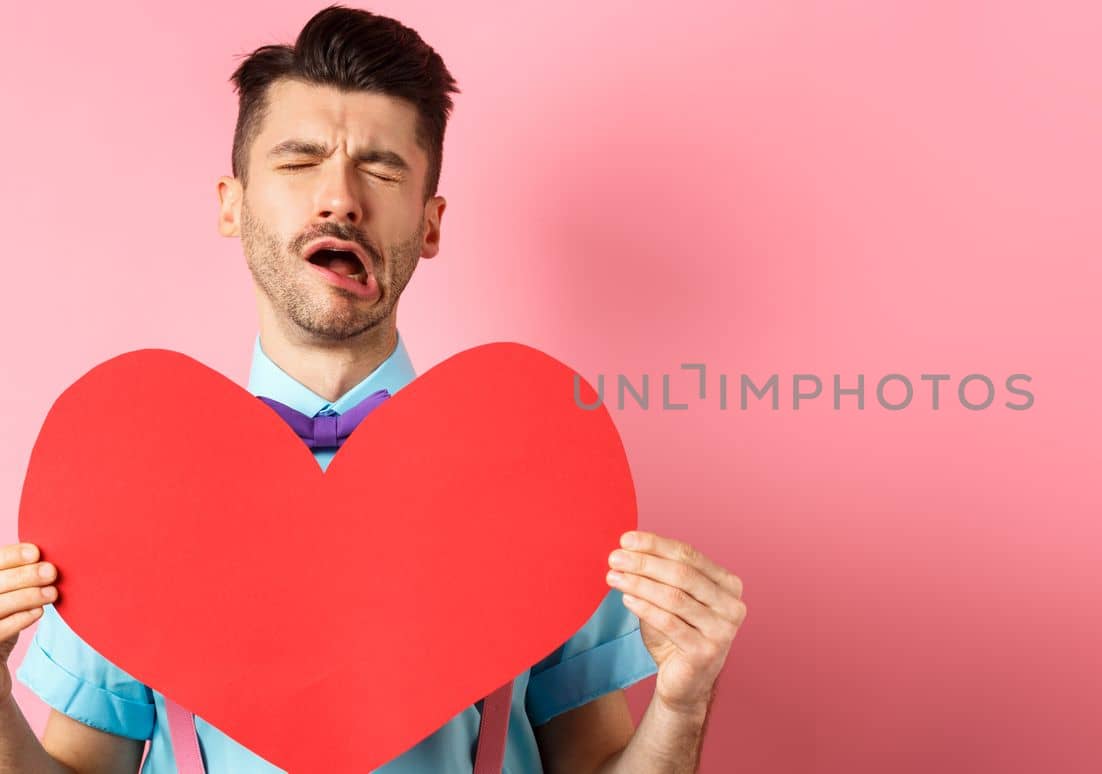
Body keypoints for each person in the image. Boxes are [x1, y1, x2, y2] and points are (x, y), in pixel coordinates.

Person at [0, 5, 746, 772]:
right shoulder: (128, 482)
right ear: (232, 203)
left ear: (429, 224)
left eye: (381, 168)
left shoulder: (539, 476)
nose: (341, 199)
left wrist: (683, 703)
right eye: (299, 161)